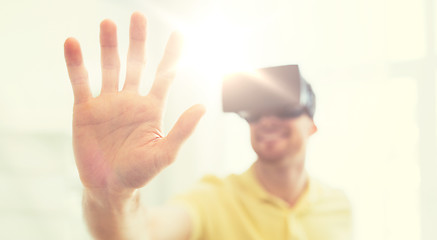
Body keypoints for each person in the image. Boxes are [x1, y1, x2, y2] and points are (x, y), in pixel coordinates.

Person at [64, 12, 352, 240]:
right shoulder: (213, 199)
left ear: (312, 125)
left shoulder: (338, 208)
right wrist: (112, 194)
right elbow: (142, 233)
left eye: (285, 108)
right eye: (255, 112)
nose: (267, 120)